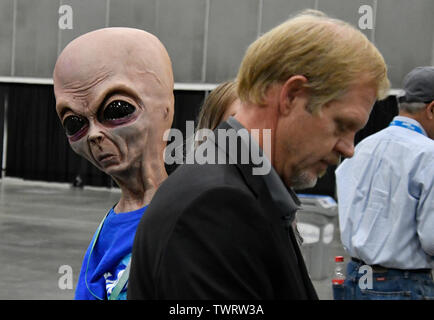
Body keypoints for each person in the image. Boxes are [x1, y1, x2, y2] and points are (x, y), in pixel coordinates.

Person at [128, 9, 389, 299]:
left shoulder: (244, 189)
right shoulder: (215, 207)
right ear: (291, 96)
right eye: (342, 125)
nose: (349, 149)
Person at [52, 27, 174, 300]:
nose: (95, 135)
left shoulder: (189, 220)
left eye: (116, 110)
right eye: (75, 123)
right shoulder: (112, 224)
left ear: (164, 109)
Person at [335, 66, 434, 300]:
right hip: (401, 285)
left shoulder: (362, 147)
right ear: (432, 109)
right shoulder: (428, 154)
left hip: (353, 278)